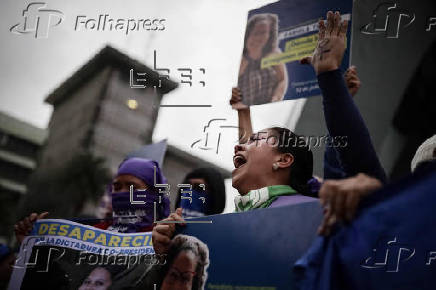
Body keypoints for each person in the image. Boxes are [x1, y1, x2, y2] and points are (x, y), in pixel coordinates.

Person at [153, 11, 385, 252]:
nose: (238, 145)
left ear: (283, 161)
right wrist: (168, 252)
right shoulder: (227, 229)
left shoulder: (317, 216)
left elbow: (353, 168)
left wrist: (332, 84)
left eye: (257, 140)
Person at [14, 157, 170, 243]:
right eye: (116, 187)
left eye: (132, 187)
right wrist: (29, 245)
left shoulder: (162, 238)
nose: (122, 193)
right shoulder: (89, 232)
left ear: (154, 194)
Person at [238, 13, 288, 105]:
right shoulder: (241, 57)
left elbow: (282, 80)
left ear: (270, 34)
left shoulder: (274, 53)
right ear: (249, 34)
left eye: (263, 32)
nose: (258, 37)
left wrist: (276, 97)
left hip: (269, 107)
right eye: (256, 33)